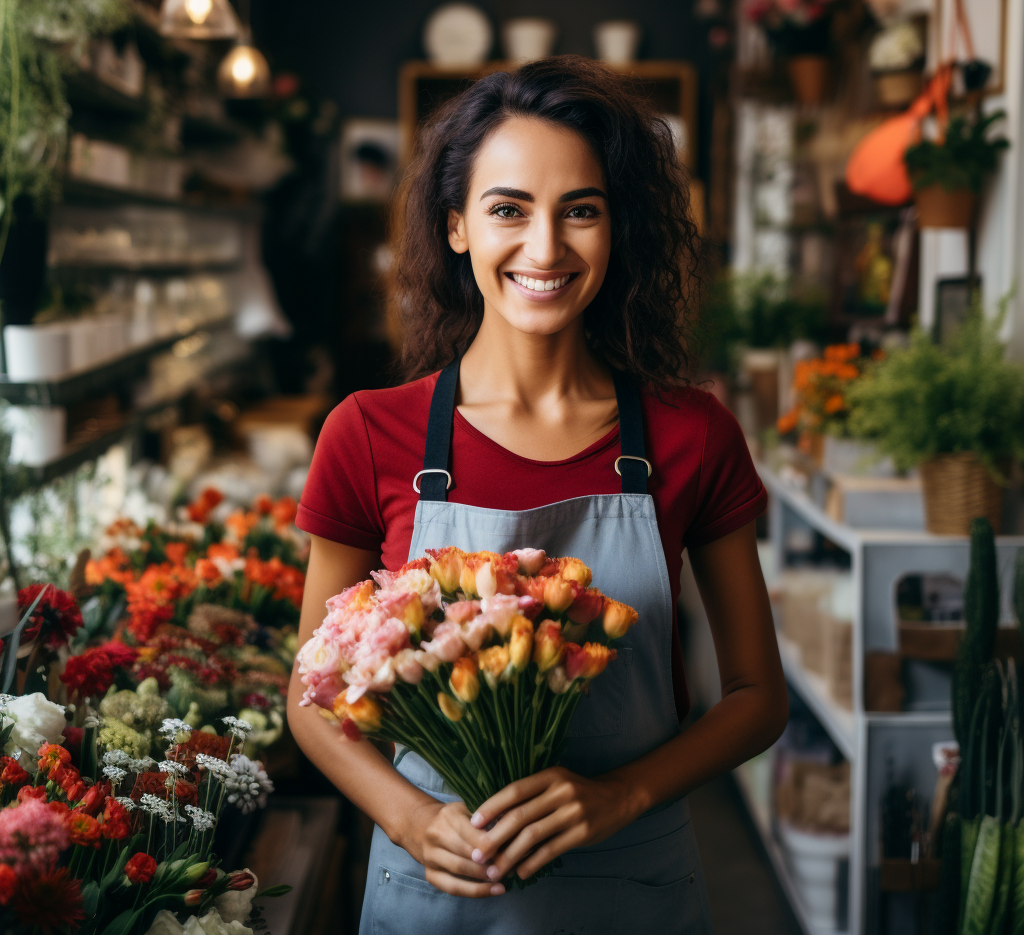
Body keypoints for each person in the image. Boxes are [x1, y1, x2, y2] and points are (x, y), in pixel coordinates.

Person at [289, 56, 788, 934]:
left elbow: (756, 695)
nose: (546, 248)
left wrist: (623, 795)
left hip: (635, 881)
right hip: (433, 883)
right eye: (508, 210)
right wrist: (408, 817)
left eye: (581, 211)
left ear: (617, 229)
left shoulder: (690, 433)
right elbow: (311, 693)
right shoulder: (368, 434)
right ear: (456, 228)